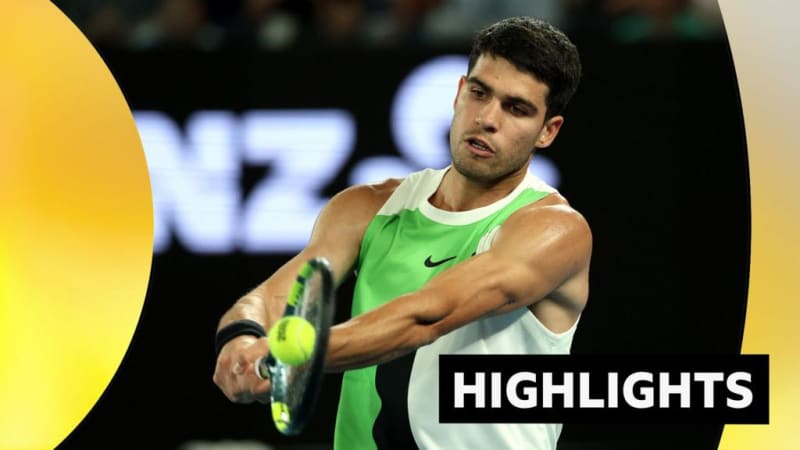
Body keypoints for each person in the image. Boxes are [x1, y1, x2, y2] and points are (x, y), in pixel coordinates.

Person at [213, 16, 590, 450]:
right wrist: (243, 337)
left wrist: (294, 356)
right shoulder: (365, 208)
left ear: (548, 131)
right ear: (458, 92)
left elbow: (424, 316)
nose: (487, 118)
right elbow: (275, 296)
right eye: (479, 93)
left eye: (516, 108)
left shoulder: (555, 230)